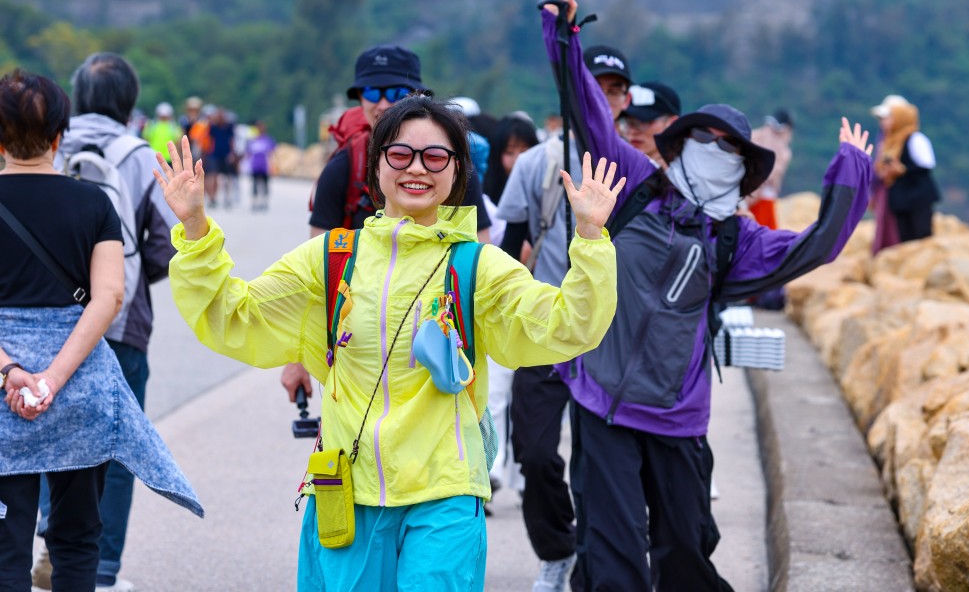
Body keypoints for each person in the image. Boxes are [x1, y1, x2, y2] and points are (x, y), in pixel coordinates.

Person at [155, 94, 624, 591]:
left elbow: (566, 326)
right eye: (400, 154)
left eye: (435, 156)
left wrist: (591, 237)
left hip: (444, 493)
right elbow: (234, 315)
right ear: (377, 166)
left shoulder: (478, 266)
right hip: (348, 493)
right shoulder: (332, 259)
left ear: (457, 171)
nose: (417, 169)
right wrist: (195, 227)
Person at [540, 0, 873, 591]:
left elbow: (814, 247)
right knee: (612, 564)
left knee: (687, 556)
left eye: (729, 148)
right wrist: (561, 31)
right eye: (704, 140)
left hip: (676, 417)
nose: (713, 153)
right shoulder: (632, 184)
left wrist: (850, 175)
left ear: (743, 169)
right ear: (681, 141)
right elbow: (586, 113)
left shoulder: (735, 238)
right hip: (602, 404)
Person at [0, 70, 201, 592]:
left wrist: (12, 372)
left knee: (5, 542)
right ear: (59, 137)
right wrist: (53, 378)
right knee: (76, 538)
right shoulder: (93, 204)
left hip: (3, 396)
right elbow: (111, 296)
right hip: (79, 389)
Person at [495, 43, 633, 592]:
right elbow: (509, 243)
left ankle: (602, 559)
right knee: (534, 452)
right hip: (545, 330)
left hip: (614, 340)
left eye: (614, 88)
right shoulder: (538, 162)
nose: (603, 97)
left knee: (606, 460)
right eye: (591, 85)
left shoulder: (639, 166)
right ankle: (557, 549)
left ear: (626, 100)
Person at [286, 45, 493, 406]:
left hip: (439, 346)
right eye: (371, 92)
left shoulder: (451, 164)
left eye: (396, 93)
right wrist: (297, 358)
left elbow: (482, 253)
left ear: (417, 97)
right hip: (359, 347)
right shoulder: (342, 168)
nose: (383, 103)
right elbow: (314, 274)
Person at [478, 113, 540, 508]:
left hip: (531, 305)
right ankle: (493, 470)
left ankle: (512, 473)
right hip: (496, 306)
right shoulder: (483, 199)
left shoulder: (546, 186)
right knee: (496, 393)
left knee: (524, 401)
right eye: (508, 152)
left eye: (524, 150)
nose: (516, 160)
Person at [874, 101, 939, 243]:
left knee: (921, 235)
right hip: (900, 199)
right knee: (904, 238)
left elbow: (926, 165)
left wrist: (903, 169)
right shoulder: (889, 142)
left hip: (917, 197)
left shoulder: (915, 139)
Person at [869, 94, 909, 254]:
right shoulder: (883, 138)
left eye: (887, 117)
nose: (883, 122)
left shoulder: (907, 140)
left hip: (898, 195)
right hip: (883, 191)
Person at [746, 108, 795, 229]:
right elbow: (771, 175)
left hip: (747, 194)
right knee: (763, 235)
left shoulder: (754, 136)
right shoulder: (783, 150)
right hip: (762, 198)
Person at [620, 81, 681, 168]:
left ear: (672, 123)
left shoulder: (692, 173)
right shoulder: (614, 168)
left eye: (643, 122)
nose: (633, 131)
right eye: (627, 122)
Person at [247, 120, 277, 212]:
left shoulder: (268, 140)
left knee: (265, 184)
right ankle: (255, 202)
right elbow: (248, 153)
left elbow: (273, 153)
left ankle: (264, 201)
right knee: (255, 185)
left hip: (265, 166)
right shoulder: (252, 140)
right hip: (255, 165)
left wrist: (273, 165)